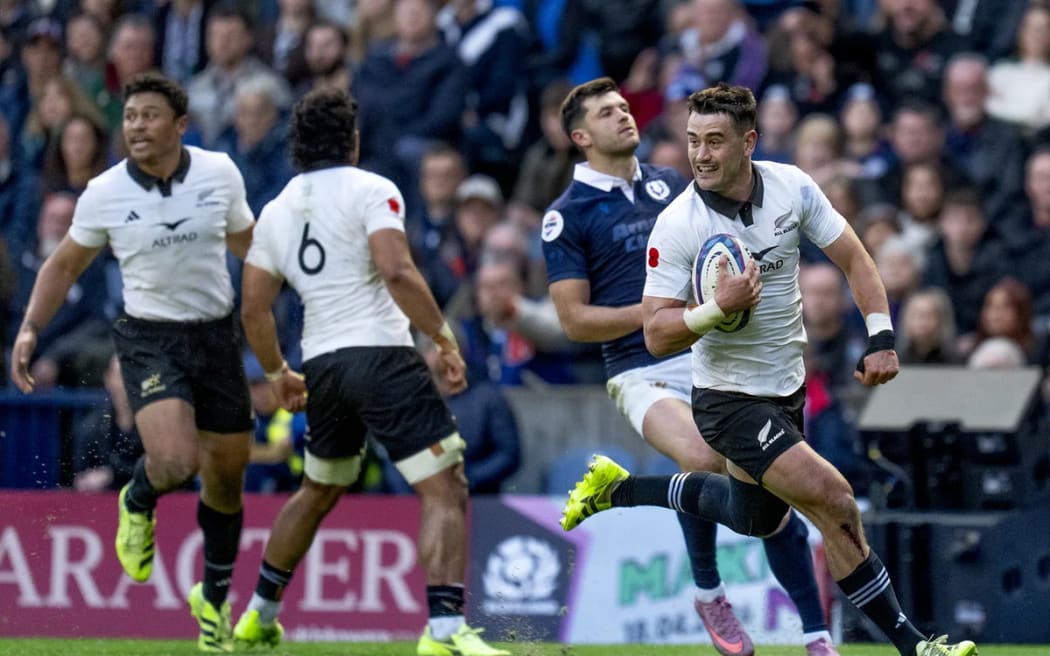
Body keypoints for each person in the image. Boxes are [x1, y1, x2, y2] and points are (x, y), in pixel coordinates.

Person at [560, 82, 978, 656]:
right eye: (691, 141)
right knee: (834, 500)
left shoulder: (792, 186)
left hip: (786, 388)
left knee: (751, 517)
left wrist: (881, 334)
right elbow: (656, 332)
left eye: (714, 141)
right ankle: (916, 646)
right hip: (727, 401)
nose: (700, 155)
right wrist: (716, 308)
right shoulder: (678, 223)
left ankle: (623, 490)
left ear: (749, 141)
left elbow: (854, 257)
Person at [542, 77, 838, 656]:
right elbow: (574, 321)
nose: (624, 117)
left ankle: (817, 635)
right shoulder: (567, 214)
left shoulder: (671, 183)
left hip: (711, 360)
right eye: (607, 113)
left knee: (770, 496)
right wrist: (664, 315)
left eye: (625, 107)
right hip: (639, 370)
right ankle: (708, 592)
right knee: (704, 458)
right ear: (581, 136)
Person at [233, 88, 508, 656]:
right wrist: (442, 337)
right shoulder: (373, 188)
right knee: (445, 484)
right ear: (352, 141)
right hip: (383, 357)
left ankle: (258, 616)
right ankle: (445, 633)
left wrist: (278, 372)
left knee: (317, 489)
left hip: (322, 366)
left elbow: (253, 308)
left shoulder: (277, 208)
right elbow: (397, 270)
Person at [10, 72, 256, 653]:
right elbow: (63, 266)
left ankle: (214, 606)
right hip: (150, 338)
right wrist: (28, 330)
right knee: (173, 461)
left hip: (218, 337)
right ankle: (137, 498)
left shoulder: (220, 172)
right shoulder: (104, 191)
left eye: (149, 115)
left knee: (224, 480)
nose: (137, 126)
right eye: (130, 117)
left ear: (180, 125)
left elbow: (252, 245)